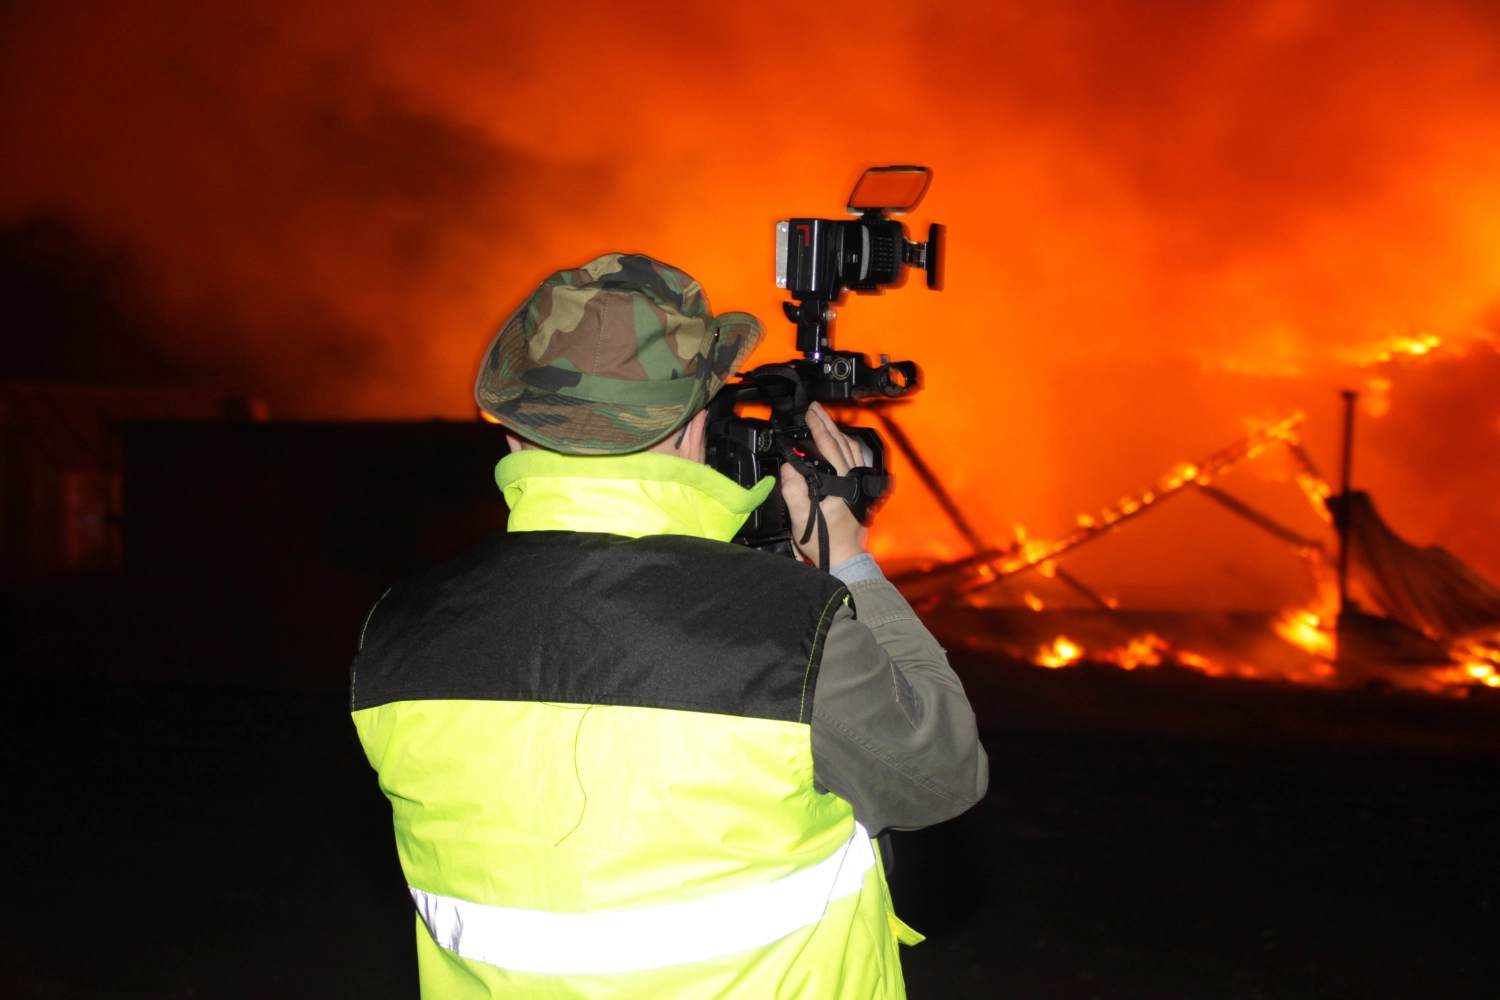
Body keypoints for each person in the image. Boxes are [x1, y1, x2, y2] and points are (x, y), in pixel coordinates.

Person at [350, 253, 987, 999]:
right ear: (692, 430)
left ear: (515, 436)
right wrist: (847, 561)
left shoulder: (397, 631)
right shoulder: (783, 636)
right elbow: (940, 775)